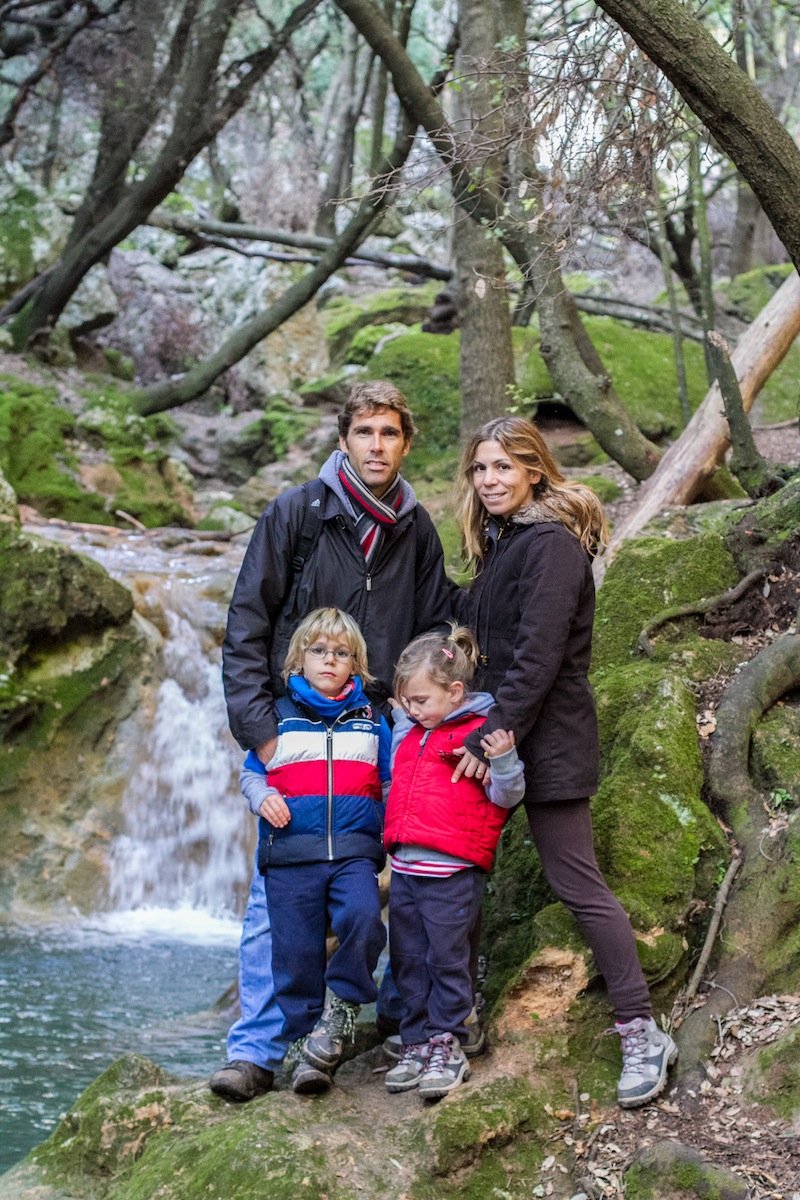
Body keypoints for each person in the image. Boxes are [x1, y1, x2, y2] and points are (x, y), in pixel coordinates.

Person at [211, 380, 453, 1102]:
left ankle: (361, 1027)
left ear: (406, 443)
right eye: (364, 433)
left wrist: (419, 726)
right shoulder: (296, 514)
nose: (377, 446)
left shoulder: (417, 528)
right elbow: (246, 627)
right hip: (292, 728)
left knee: (369, 894)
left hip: (376, 731)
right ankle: (255, 1051)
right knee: (272, 902)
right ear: (343, 439)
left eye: (389, 434)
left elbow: (440, 627)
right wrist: (260, 733)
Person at [451, 416, 678, 1109]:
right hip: (496, 733)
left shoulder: (548, 545)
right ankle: (450, 1023)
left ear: (534, 471)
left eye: (502, 467)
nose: (490, 480)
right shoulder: (500, 545)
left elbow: (540, 656)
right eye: (480, 469)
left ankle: (641, 1029)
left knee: (577, 883)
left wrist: (490, 734)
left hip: (540, 739)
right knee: (453, 874)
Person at [240, 608, 390, 1094]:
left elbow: (390, 780)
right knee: (294, 954)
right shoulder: (277, 718)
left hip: (353, 852)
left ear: (356, 664)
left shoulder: (371, 721)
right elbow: (250, 775)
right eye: (319, 651)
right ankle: (305, 1051)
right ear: (299, 659)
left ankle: (344, 1006)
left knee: (365, 920)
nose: (329, 660)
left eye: (342, 654)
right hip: (290, 856)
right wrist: (263, 798)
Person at [382, 625, 525, 1100]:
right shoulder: (411, 734)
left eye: (420, 700)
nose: (412, 710)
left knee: (447, 960)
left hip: (451, 873)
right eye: (406, 702)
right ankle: (417, 1041)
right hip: (405, 872)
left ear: (455, 691)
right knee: (407, 960)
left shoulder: (478, 735)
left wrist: (504, 761)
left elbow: (506, 797)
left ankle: (449, 1043)